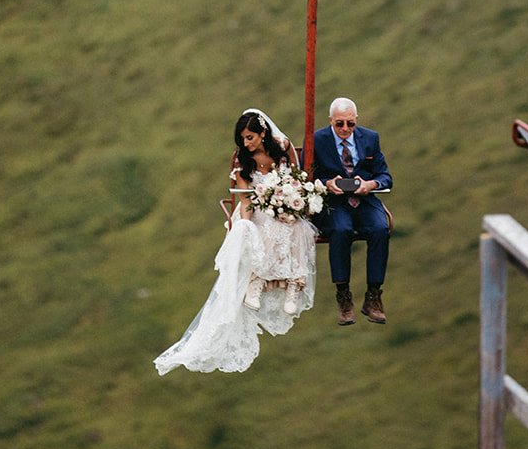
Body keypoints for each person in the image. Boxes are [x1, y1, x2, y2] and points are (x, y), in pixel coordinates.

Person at [154, 109, 318, 375]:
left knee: (298, 228)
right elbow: (245, 199)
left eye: (250, 137)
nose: (246, 143)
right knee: (259, 226)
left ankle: (292, 283)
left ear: (263, 134)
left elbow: (295, 180)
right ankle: (258, 279)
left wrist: (288, 203)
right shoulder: (244, 163)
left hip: (282, 205)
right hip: (256, 206)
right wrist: (247, 219)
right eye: (242, 139)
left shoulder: (282, 152)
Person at [312, 96, 392, 326]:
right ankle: (344, 295)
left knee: (380, 228)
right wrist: (327, 183)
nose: (345, 129)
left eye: (350, 123)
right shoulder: (318, 140)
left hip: (364, 199)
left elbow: (385, 175)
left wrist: (370, 185)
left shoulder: (370, 138)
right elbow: (306, 174)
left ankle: (374, 295)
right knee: (340, 229)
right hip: (335, 201)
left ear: (356, 120)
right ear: (330, 121)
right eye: (339, 124)